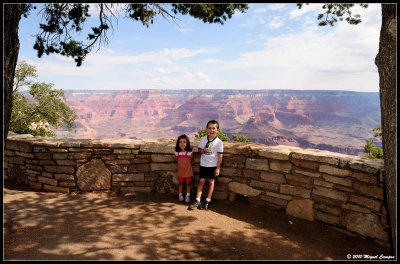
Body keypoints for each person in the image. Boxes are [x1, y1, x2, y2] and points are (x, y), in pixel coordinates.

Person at [189, 120, 223, 210]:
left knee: (211, 182)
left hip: (213, 165)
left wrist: (218, 168)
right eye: (209, 128)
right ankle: (197, 200)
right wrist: (204, 150)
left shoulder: (219, 142)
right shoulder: (203, 139)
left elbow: (220, 156)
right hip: (203, 164)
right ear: (206, 129)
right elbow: (199, 150)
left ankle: (208, 200)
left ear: (217, 130)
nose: (211, 130)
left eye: (213, 128)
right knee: (201, 181)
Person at [175, 134, 194, 203]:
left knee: (188, 183)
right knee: (180, 183)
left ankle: (187, 195)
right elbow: (177, 160)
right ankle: (180, 195)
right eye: (180, 142)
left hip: (188, 171)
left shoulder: (189, 153)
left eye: (184, 142)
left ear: (187, 143)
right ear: (178, 143)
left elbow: (192, 160)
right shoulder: (177, 153)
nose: (182, 144)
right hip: (181, 171)